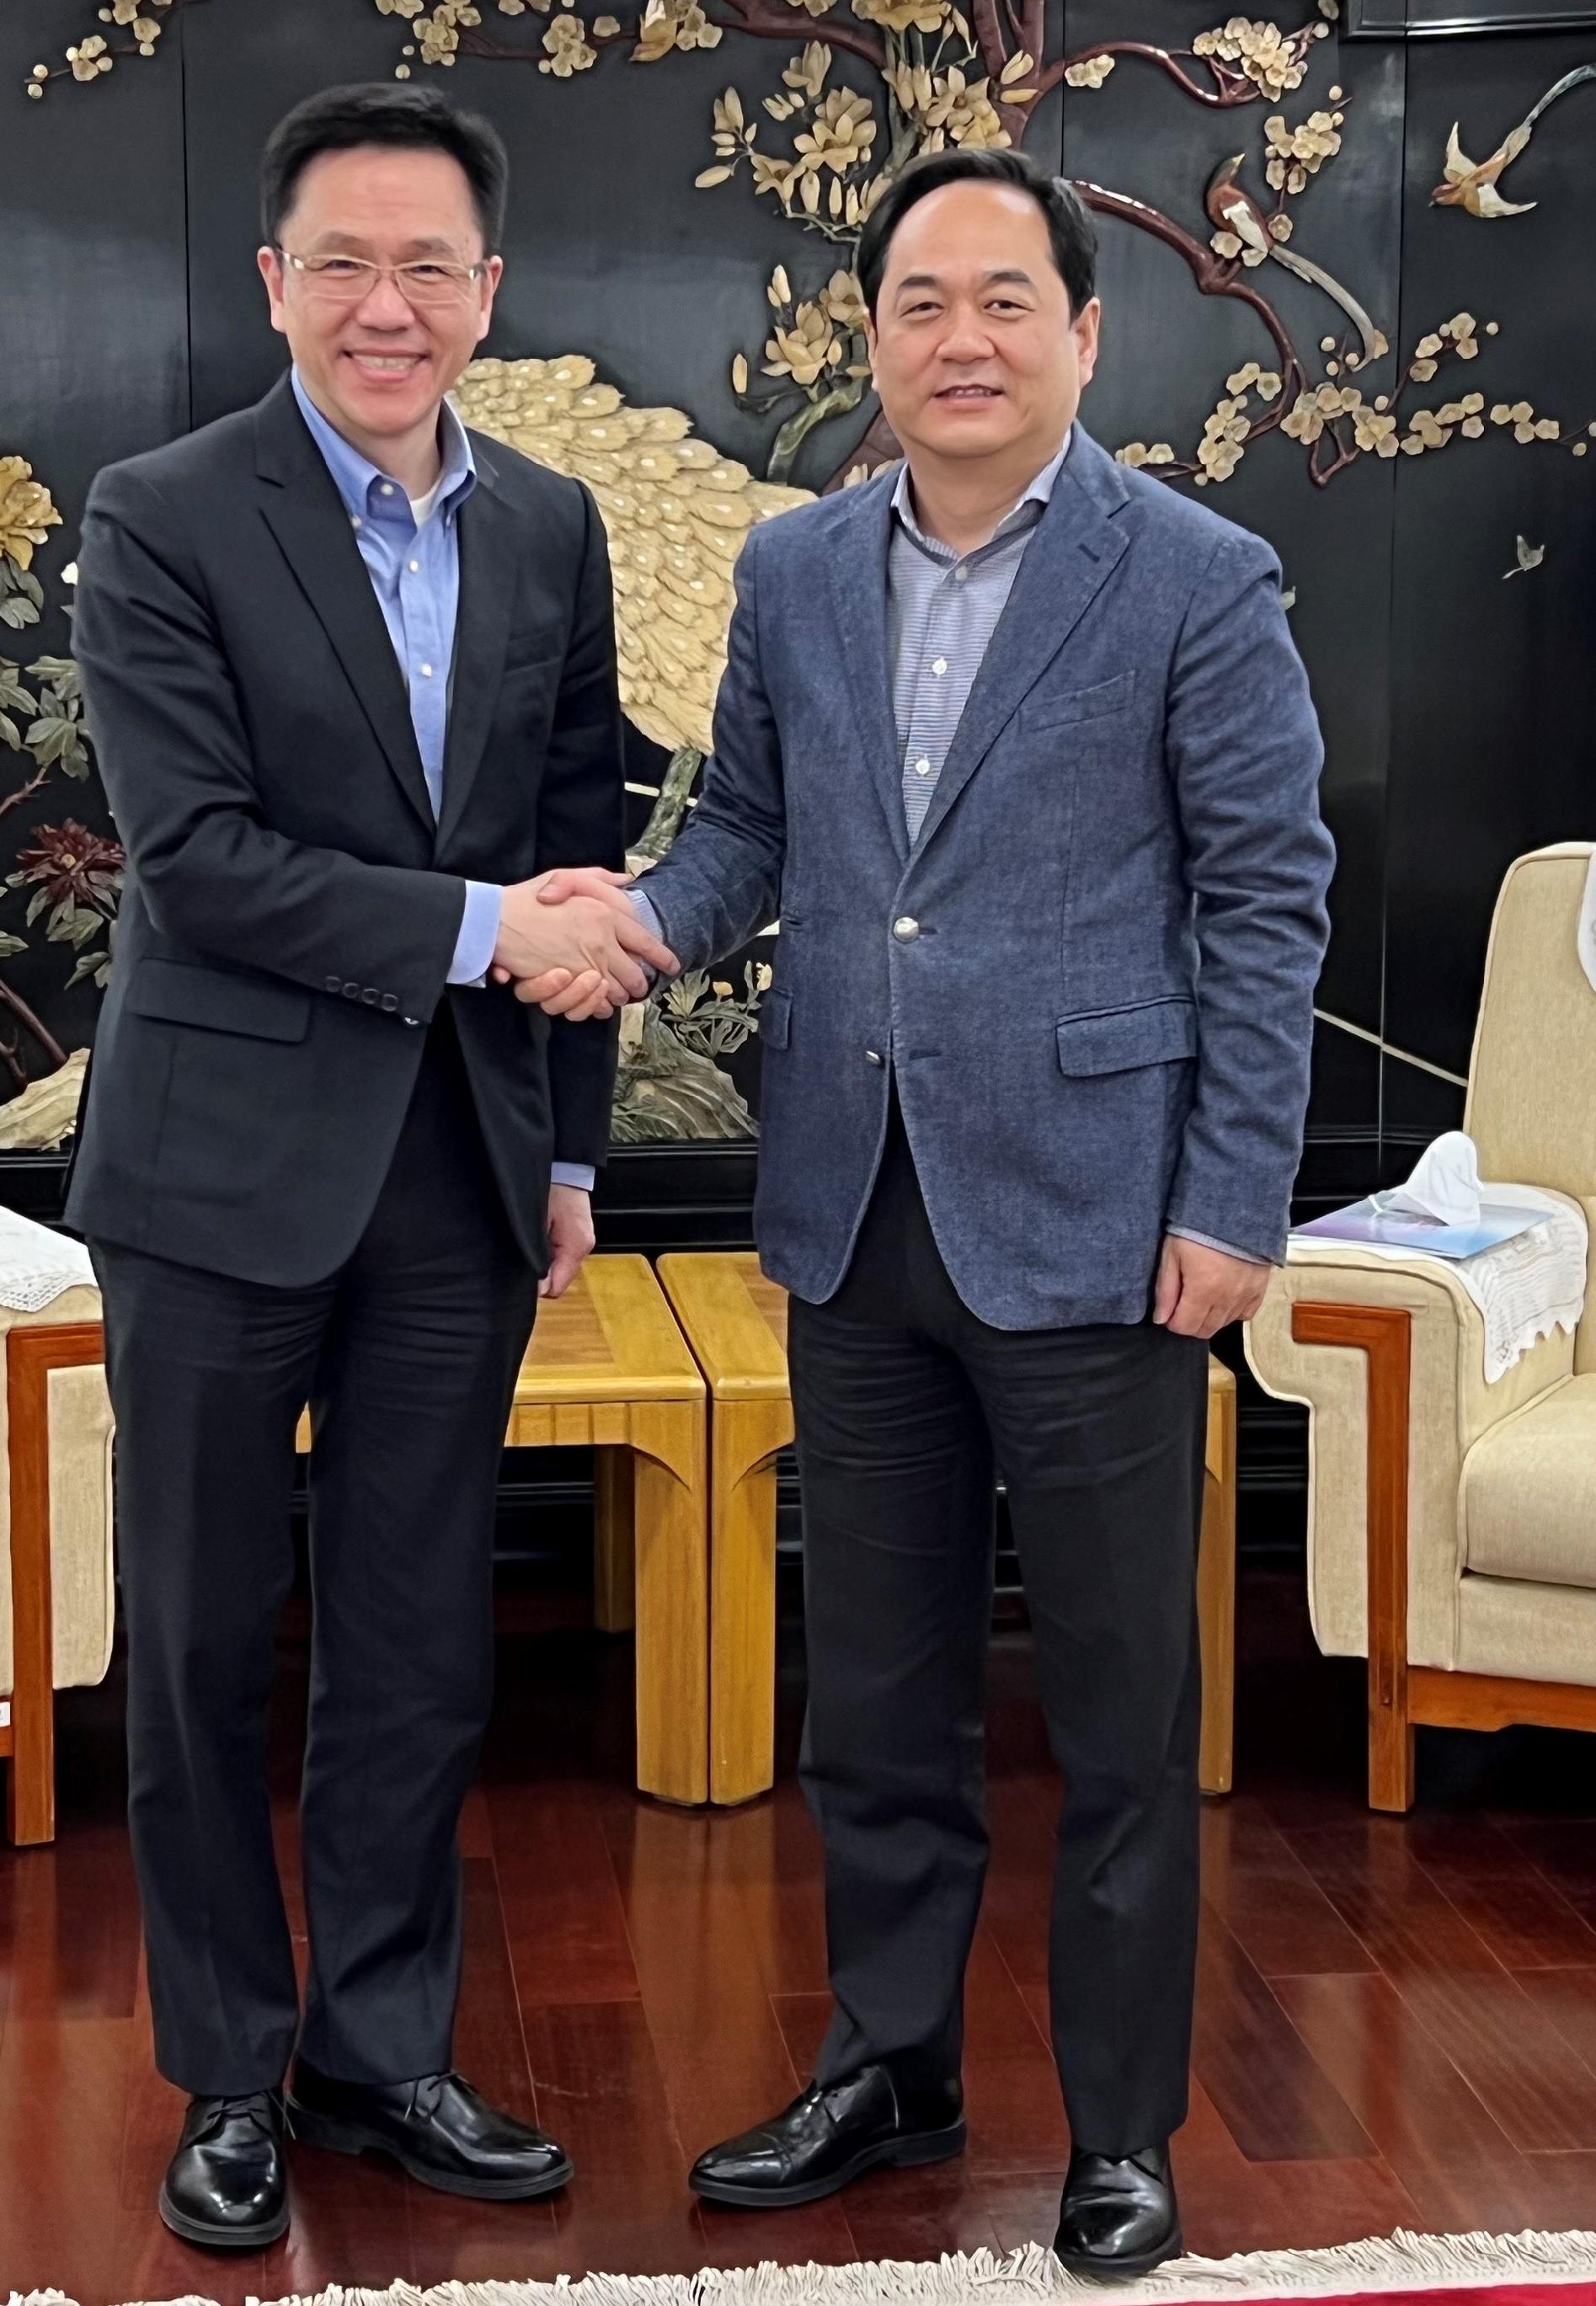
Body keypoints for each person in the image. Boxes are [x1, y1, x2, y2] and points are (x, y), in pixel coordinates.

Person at [531, 145, 1332, 2277]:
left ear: (1082, 333)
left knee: (1116, 1711)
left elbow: (1265, 904)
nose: (955, 340)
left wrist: (1234, 1198)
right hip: (851, 1211)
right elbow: (753, 844)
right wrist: (625, 926)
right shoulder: (795, 571)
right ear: (866, 338)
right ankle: (890, 2067)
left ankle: (1124, 2131)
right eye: (914, 302)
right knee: (874, 1700)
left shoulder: (1194, 577)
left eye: (1002, 302)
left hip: (1104, 1221)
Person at [68, 81, 673, 2253]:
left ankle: (380, 2047)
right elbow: (200, 862)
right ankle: (228, 2071)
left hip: (460, 1171)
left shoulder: (545, 528)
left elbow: (576, 840)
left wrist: (574, 1148)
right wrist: (477, 933)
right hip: (217, 1173)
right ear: (273, 282)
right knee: (210, 1634)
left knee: (420, 1641)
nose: (385, 303)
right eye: (343, 261)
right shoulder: (159, 513)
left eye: (429, 266)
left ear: (487, 294)